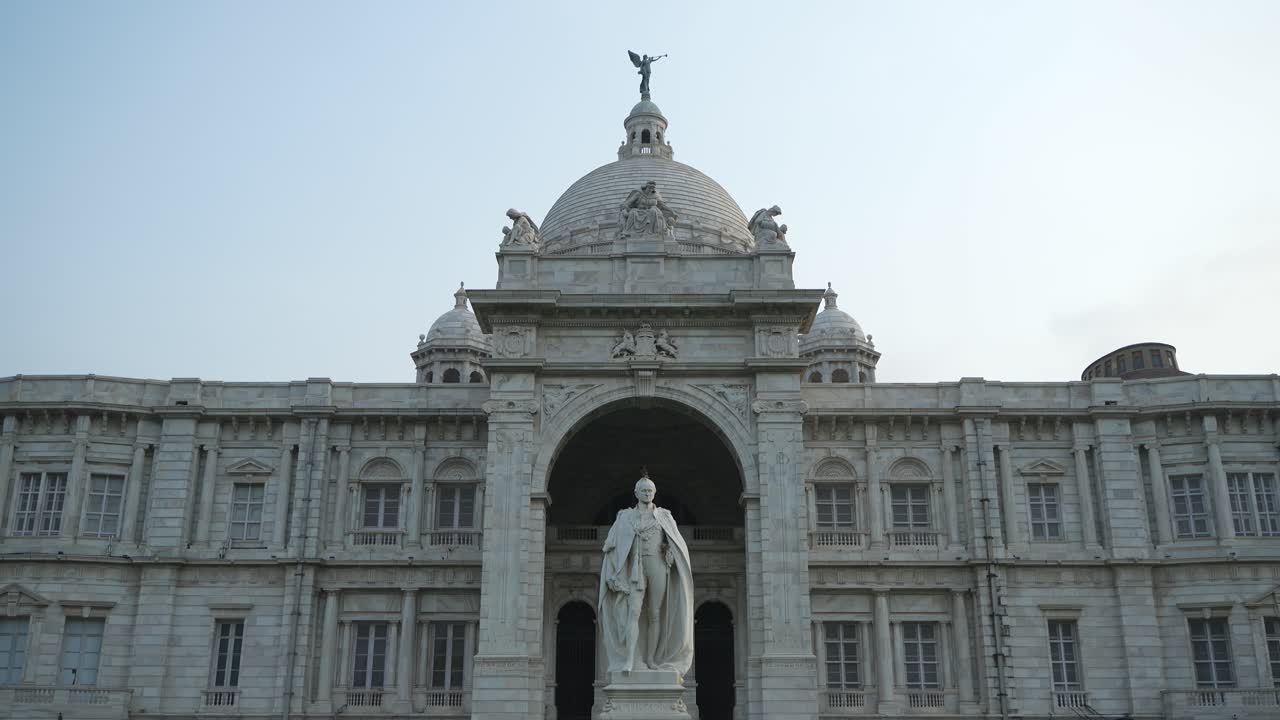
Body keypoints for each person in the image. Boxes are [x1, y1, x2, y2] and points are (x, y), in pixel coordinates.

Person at [599, 472, 694, 676]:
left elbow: (676, 543)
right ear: (636, 493)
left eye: (650, 490)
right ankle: (630, 659)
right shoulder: (624, 516)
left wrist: (670, 552)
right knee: (633, 612)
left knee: (655, 614)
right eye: (643, 490)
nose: (647, 493)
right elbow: (611, 545)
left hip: (658, 566)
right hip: (635, 569)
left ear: (655, 492)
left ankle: (651, 659)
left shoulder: (664, 516)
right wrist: (613, 572)